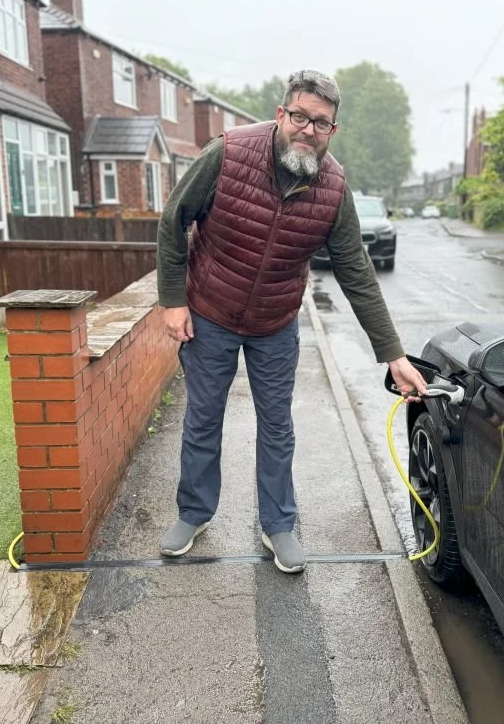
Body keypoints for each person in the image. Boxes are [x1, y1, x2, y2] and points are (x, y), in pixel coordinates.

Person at [156, 69, 427, 573]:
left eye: (320, 123)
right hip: (210, 311)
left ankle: (279, 524)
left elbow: (356, 270)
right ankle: (193, 513)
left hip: (276, 322)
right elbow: (174, 219)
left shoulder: (334, 188)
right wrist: (173, 299)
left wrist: (394, 355)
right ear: (281, 114)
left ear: (332, 130)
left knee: (277, 425)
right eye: (300, 116)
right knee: (203, 419)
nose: (308, 129)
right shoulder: (228, 153)